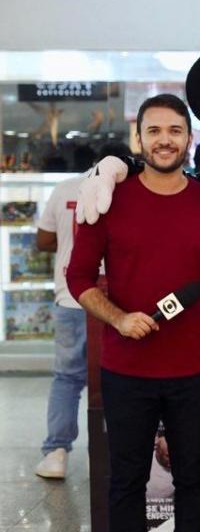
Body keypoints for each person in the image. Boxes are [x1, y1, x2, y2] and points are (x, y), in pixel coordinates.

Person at [66, 94, 200, 532]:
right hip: (127, 370)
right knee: (126, 481)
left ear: (188, 138)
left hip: (196, 370)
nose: (165, 140)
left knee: (193, 478)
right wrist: (119, 319)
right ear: (138, 138)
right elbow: (79, 278)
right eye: (155, 130)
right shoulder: (108, 201)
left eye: (175, 130)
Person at [33, 144, 99, 479]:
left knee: (67, 378)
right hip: (112, 301)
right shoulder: (127, 189)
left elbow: (43, 240)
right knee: (118, 380)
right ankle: (111, 450)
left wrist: (71, 244)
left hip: (70, 297)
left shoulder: (64, 189)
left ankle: (56, 453)